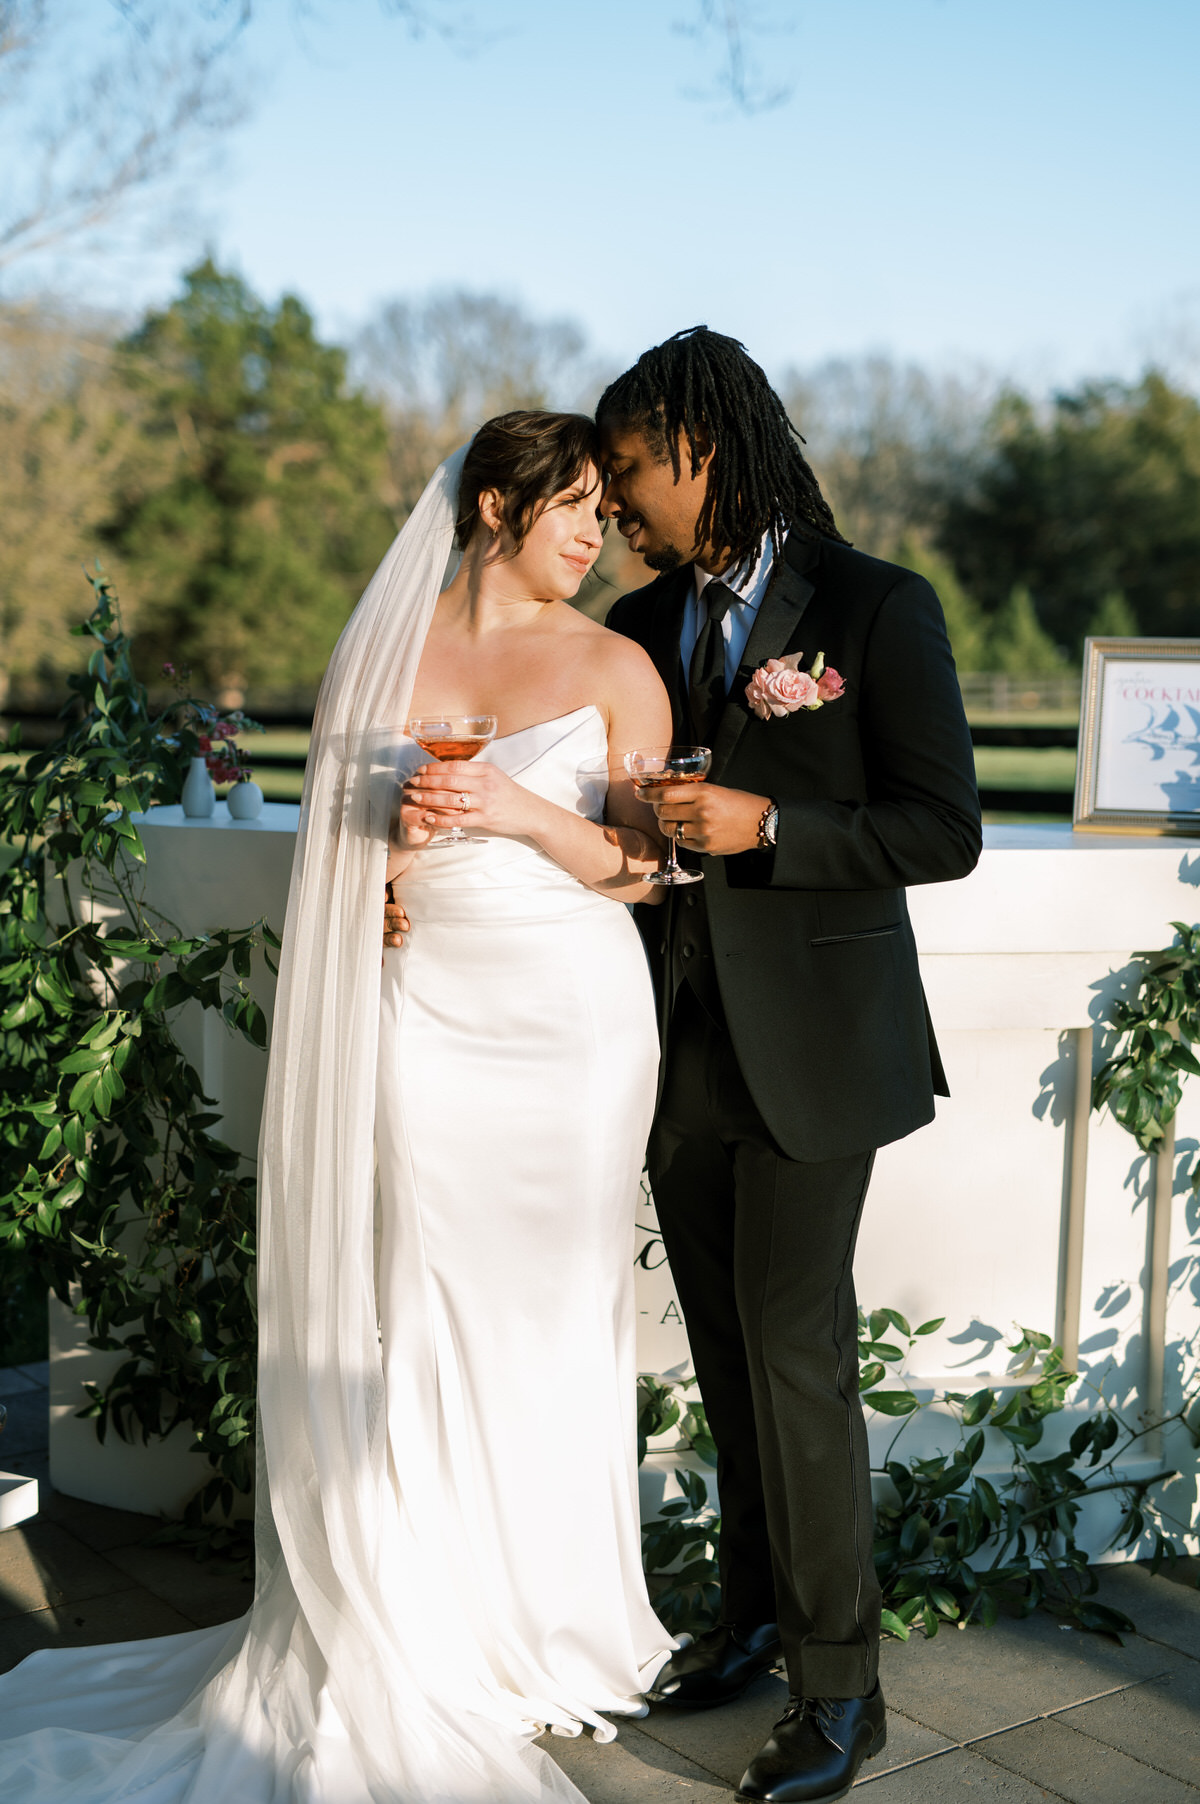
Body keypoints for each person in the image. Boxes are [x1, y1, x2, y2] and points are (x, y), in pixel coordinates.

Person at [0, 413, 677, 1803]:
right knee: (416, 1303)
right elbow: (343, 862)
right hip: (422, 1015)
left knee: (549, 1306)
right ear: (497, 503)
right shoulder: (381, 650)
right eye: (575, 506)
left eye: (606, 510)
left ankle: (549, 1616)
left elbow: (643, 868)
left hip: (574, 1024)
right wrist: (386, 872)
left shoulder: (617, 661)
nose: (594, 531)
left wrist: (506, 810)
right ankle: (418, 1605)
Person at [596, 327, 983, 1804]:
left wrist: (772, 831)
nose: (619, 499)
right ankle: (750, 1616)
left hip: (820, 1051)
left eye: (630, 467)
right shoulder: (640, 620)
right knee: (722, 1348)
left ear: (698, 446)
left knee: (795, 1352)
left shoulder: (880, 609)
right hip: (672, 1041)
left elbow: (942, 829)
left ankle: (844, 1690)